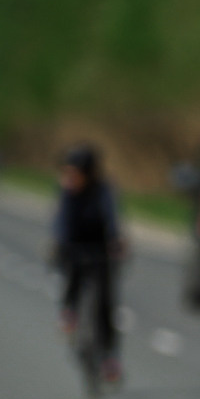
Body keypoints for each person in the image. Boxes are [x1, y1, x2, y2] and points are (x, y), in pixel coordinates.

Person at [53, 145, 125, 384]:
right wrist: (59, 244)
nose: (72, 177)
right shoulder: (67, 191)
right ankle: (69, 311)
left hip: (99, 249)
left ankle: (108, 357)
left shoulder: (103, 190)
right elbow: (62, 221)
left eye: (77, 172)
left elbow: (111, 218)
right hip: (74, 246)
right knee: (71, 276)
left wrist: (116, 242)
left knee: (105, 304)